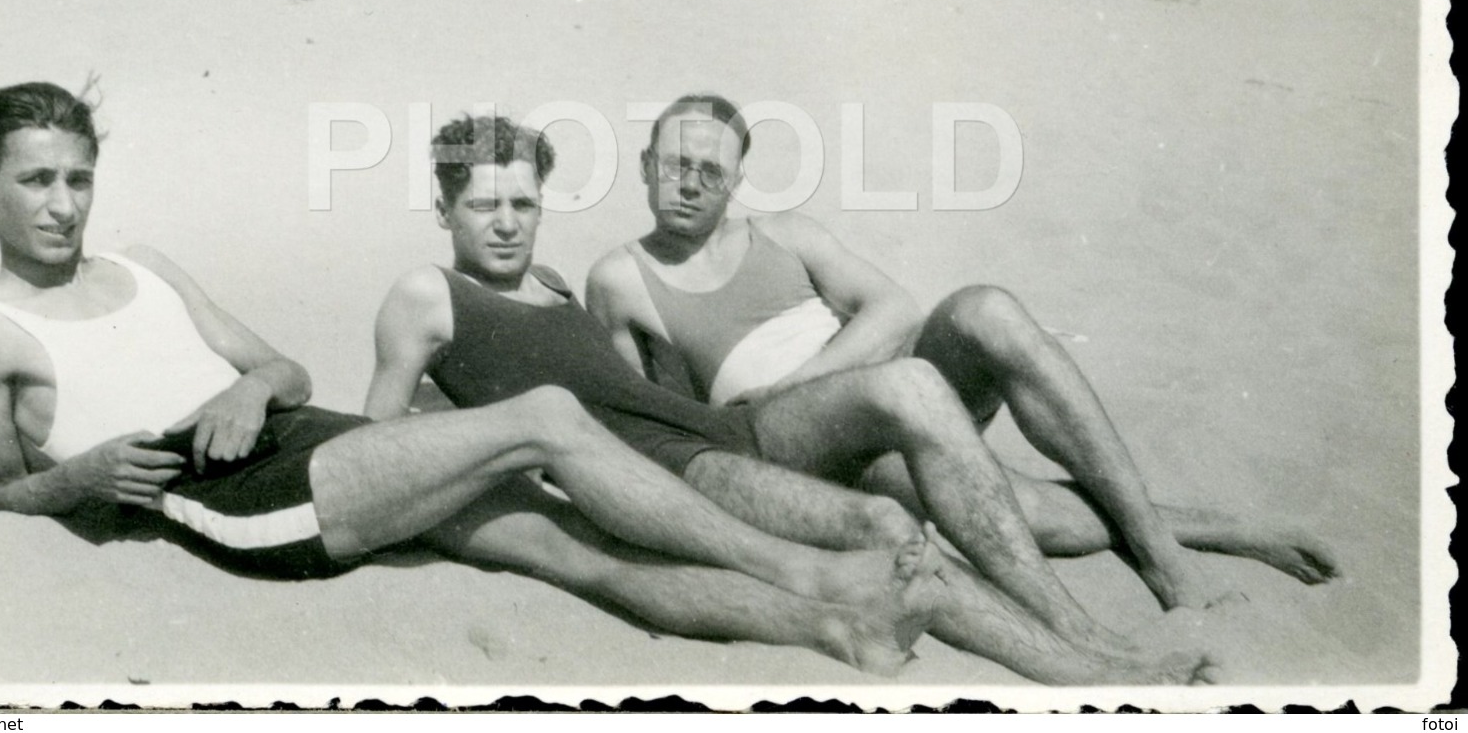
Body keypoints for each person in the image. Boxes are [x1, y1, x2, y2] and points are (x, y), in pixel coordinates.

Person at [0, 82, 994, 677]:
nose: (62, 204)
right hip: (237, 503)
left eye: (77, 178)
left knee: (564, 546)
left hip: (306, 434)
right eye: (35, 181)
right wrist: (89, 474)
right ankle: (806, 573)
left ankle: (827, 627)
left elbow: (279, 362)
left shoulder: (145, 265)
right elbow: (6, 485)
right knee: (543, 417)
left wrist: (248, 389)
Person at [370, 113, 1217, 685]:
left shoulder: (555, 285)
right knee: (889, 531)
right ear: (442, 207)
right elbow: (380, 439)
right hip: (687, 472)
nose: (508, 222)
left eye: (523, 202)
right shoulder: (427, 293)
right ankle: (1085, 663)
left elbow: (634, 387)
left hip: (724, 429)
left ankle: (1087, 632)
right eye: (483, 204)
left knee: (922, 400)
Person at [588, 94, 1341, 627]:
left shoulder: (786, 232)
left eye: (709, 172)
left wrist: (808, 378)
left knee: (986, 309)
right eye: (675, 164)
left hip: (873, 386)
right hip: (794, 441)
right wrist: (778, 409)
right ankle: (1199, 536)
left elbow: (896, 310)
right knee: (1026, 512)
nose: (688, 183)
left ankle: (1164, 549)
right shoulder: (620, 279)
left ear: (736, 182)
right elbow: (645, 418)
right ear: (647, 163)